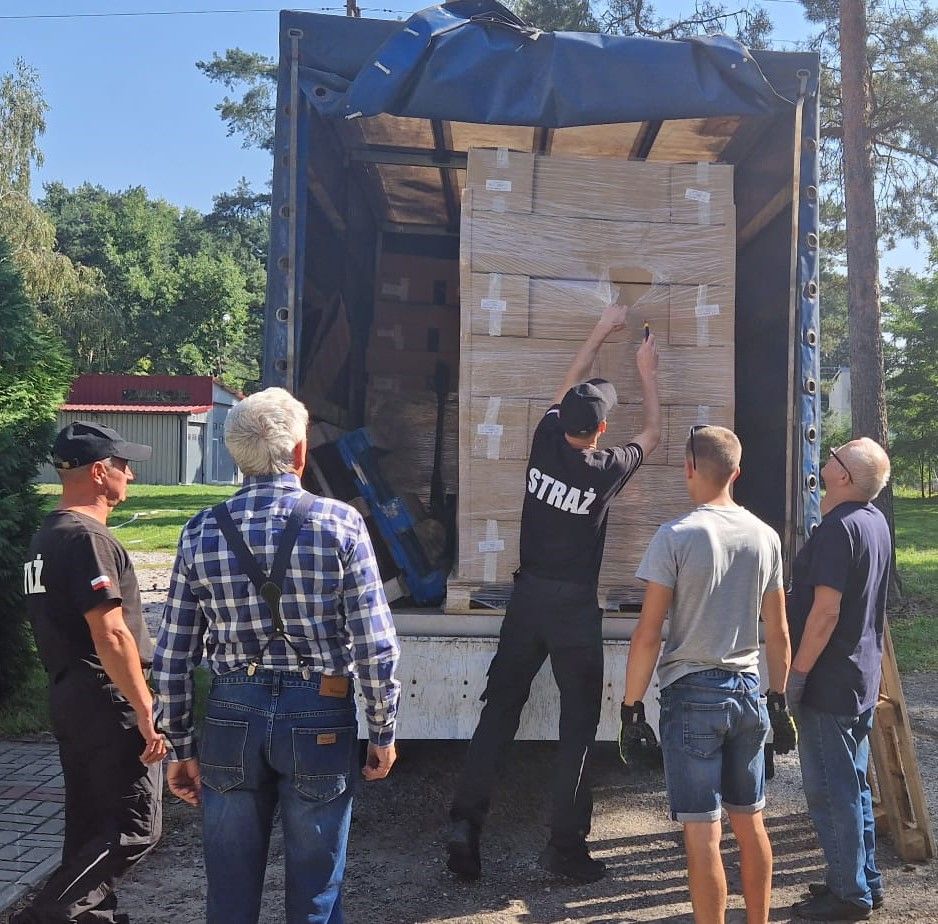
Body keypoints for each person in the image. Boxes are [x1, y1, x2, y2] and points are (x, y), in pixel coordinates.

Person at [152, 386, 401, 924]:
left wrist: (179, 747)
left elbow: (172, 655)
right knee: (316, 892)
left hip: (230, 715)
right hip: (321, 713)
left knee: (229, 894)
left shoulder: (200, 532)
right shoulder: (340, 524)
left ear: (235, 455)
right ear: (300, 453)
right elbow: (376, 645)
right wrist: (382, 731)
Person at [446, 303, 661, 884]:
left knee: (499, 712)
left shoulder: (543, 439)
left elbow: (567, 385)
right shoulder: (604, 467)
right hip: (572, 609)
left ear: (561, 419)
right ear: (600, 431)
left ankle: (464, 823)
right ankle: (566, 849)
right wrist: (646, 371)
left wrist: (598, 329)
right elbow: (655, 434)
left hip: (527, 599)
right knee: (577, 727)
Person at [620, 425, 793, 924]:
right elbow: (777, 632)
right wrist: (778, 699)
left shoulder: (675, 536)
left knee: (703, 833)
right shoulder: (765, 537)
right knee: (751, 822)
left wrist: (631, 709)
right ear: (736, 474)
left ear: (689, 468)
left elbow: (648, 633)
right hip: (748, 694)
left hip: (692, 694)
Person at [17, 422, 166, 924]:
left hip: (71, 696)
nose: (132, 475)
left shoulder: (48, 533)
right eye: (125, 465)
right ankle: (45, 917)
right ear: (100, 472)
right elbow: (112, 634)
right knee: (132, 826)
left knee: (90, 825)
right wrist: (145, 710)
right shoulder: (86, 538)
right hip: (107, 699)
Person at [787, 438, 892, 922]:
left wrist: (798, 673)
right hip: (860, 677)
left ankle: (849, 896)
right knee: (854, 785)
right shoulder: (874, 522)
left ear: (844, 476)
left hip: (831, 681)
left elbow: (825, 613)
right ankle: (863, 880)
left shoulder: (837, 530)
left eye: (833, 455)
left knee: (832, 790)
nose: (826, 458)